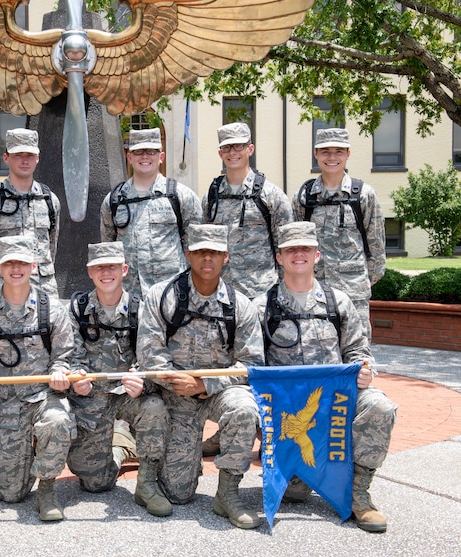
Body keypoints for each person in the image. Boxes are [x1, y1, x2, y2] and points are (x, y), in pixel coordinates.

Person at [253, 221, 397, 533]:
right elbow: (251, 362)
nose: (299, 254)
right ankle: (293, 475)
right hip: (286, 413)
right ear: (279, 257)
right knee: (295, 493)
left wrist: (363, 369)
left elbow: (358, 349)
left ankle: (358, 493)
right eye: (291, 249)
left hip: (335, 404)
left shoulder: (338, 302)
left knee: (380, 406)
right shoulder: (262, 307)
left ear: (317, 255)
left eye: (305, 248)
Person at [137, 224, 265, 529]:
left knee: (244, 409)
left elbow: (250, 362)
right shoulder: (162, 296)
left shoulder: (240, 305)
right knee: (178, 494)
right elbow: (149, 353)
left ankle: (227, 494)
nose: (208, 258)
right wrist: (176, 381)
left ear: (226, 257)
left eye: (215, 252)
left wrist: (205, 384)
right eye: (200, 251)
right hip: (176, 394)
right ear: (188, 254)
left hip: (220, 392)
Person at [0, 235, 76, 521]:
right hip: (4, 406)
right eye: (10, 263)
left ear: (34, 266)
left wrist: (59, 372)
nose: (16, 268)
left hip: (42, 398)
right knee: (10, 494)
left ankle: (47, 489)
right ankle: (25, 461)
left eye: (23, 263)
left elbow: (64, 356)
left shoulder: (52, 310)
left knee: (58, 420)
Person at [200, 122, 293, 457]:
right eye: (227, 147)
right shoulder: (212, 195)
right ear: (220, 153)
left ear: (250, 149)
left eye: (239, 146)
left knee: (264, 365)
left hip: (261, 297)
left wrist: (280, 293)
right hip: (224, 297)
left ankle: (271, 432)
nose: (233, 152)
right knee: (227, 364)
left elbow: (286, 247)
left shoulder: (271, 195)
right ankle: (229, 428)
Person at [65, 241, 171, 517]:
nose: (106, 273)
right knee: (95, 483)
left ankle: (147, 483)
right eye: (99, 267)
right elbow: (71, 355)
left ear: (124, 270)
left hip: (127, 395)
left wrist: (142, 383)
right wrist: (77, 378)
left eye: (112, 267)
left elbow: (152, 359)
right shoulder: (77, 309)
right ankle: (120, 448)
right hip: (92, 397)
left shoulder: (141, 309)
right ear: (89, 272)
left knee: (154, 407)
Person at [293, 128, 386, 340]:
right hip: (313, 292)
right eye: (325, 151)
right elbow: (295, 245)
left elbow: (377, 250)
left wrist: (357, 281)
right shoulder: (305, 197)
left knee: (357, 350)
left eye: (339, 151)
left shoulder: (363, 195)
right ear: (316, 154)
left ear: (348, 154)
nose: (332, 157)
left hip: (354, 294)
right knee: (314, 348)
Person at [100, 127, 203, 300]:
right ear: (129, 157)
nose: (145, 156)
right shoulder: (114, 200)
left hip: (171, 293)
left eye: (151, 151)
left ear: (161, 157)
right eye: (138, 151)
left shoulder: (181, 196)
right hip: (128, 295)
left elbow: (195, 248)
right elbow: (108, 248)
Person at [0, 128, 60, 297]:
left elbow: (51, 247)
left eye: (30, 155)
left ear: (37, 158)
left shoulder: (49, 200)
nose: (24, 160)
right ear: (6, 158)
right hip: (1, 294)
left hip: (43, 293)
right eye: (18, 155)